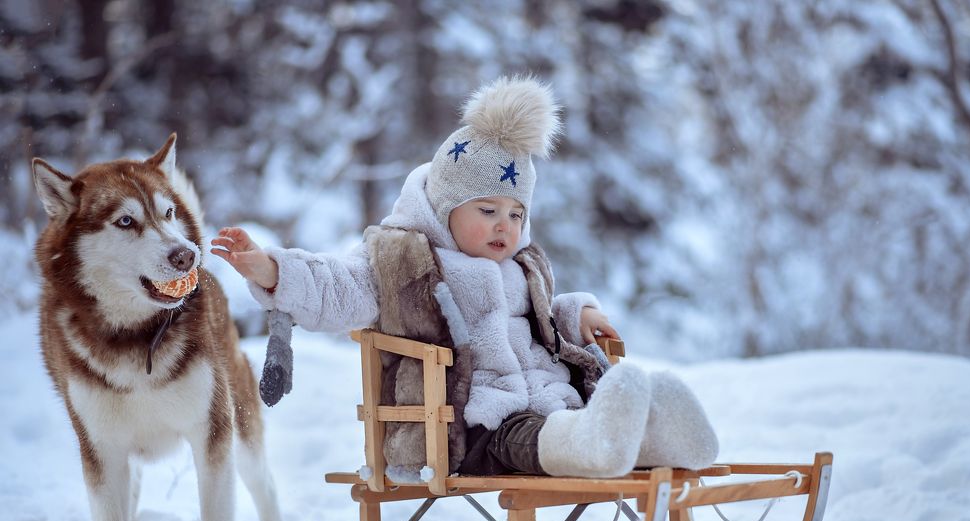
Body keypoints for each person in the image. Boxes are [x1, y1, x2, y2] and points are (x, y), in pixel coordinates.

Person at [211, 75, 718, 480]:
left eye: (517, 214)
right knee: (528, 435)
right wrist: (273, 269)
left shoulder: (521, 267)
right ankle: (591, 443)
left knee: (572, 415)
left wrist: (576, 312)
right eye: (488, 209)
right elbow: (339, 287)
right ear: (444, 208)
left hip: (549, 398)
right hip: (472, 421)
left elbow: (541, 317)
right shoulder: (404, 262)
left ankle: (656, 437)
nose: (505, 225)